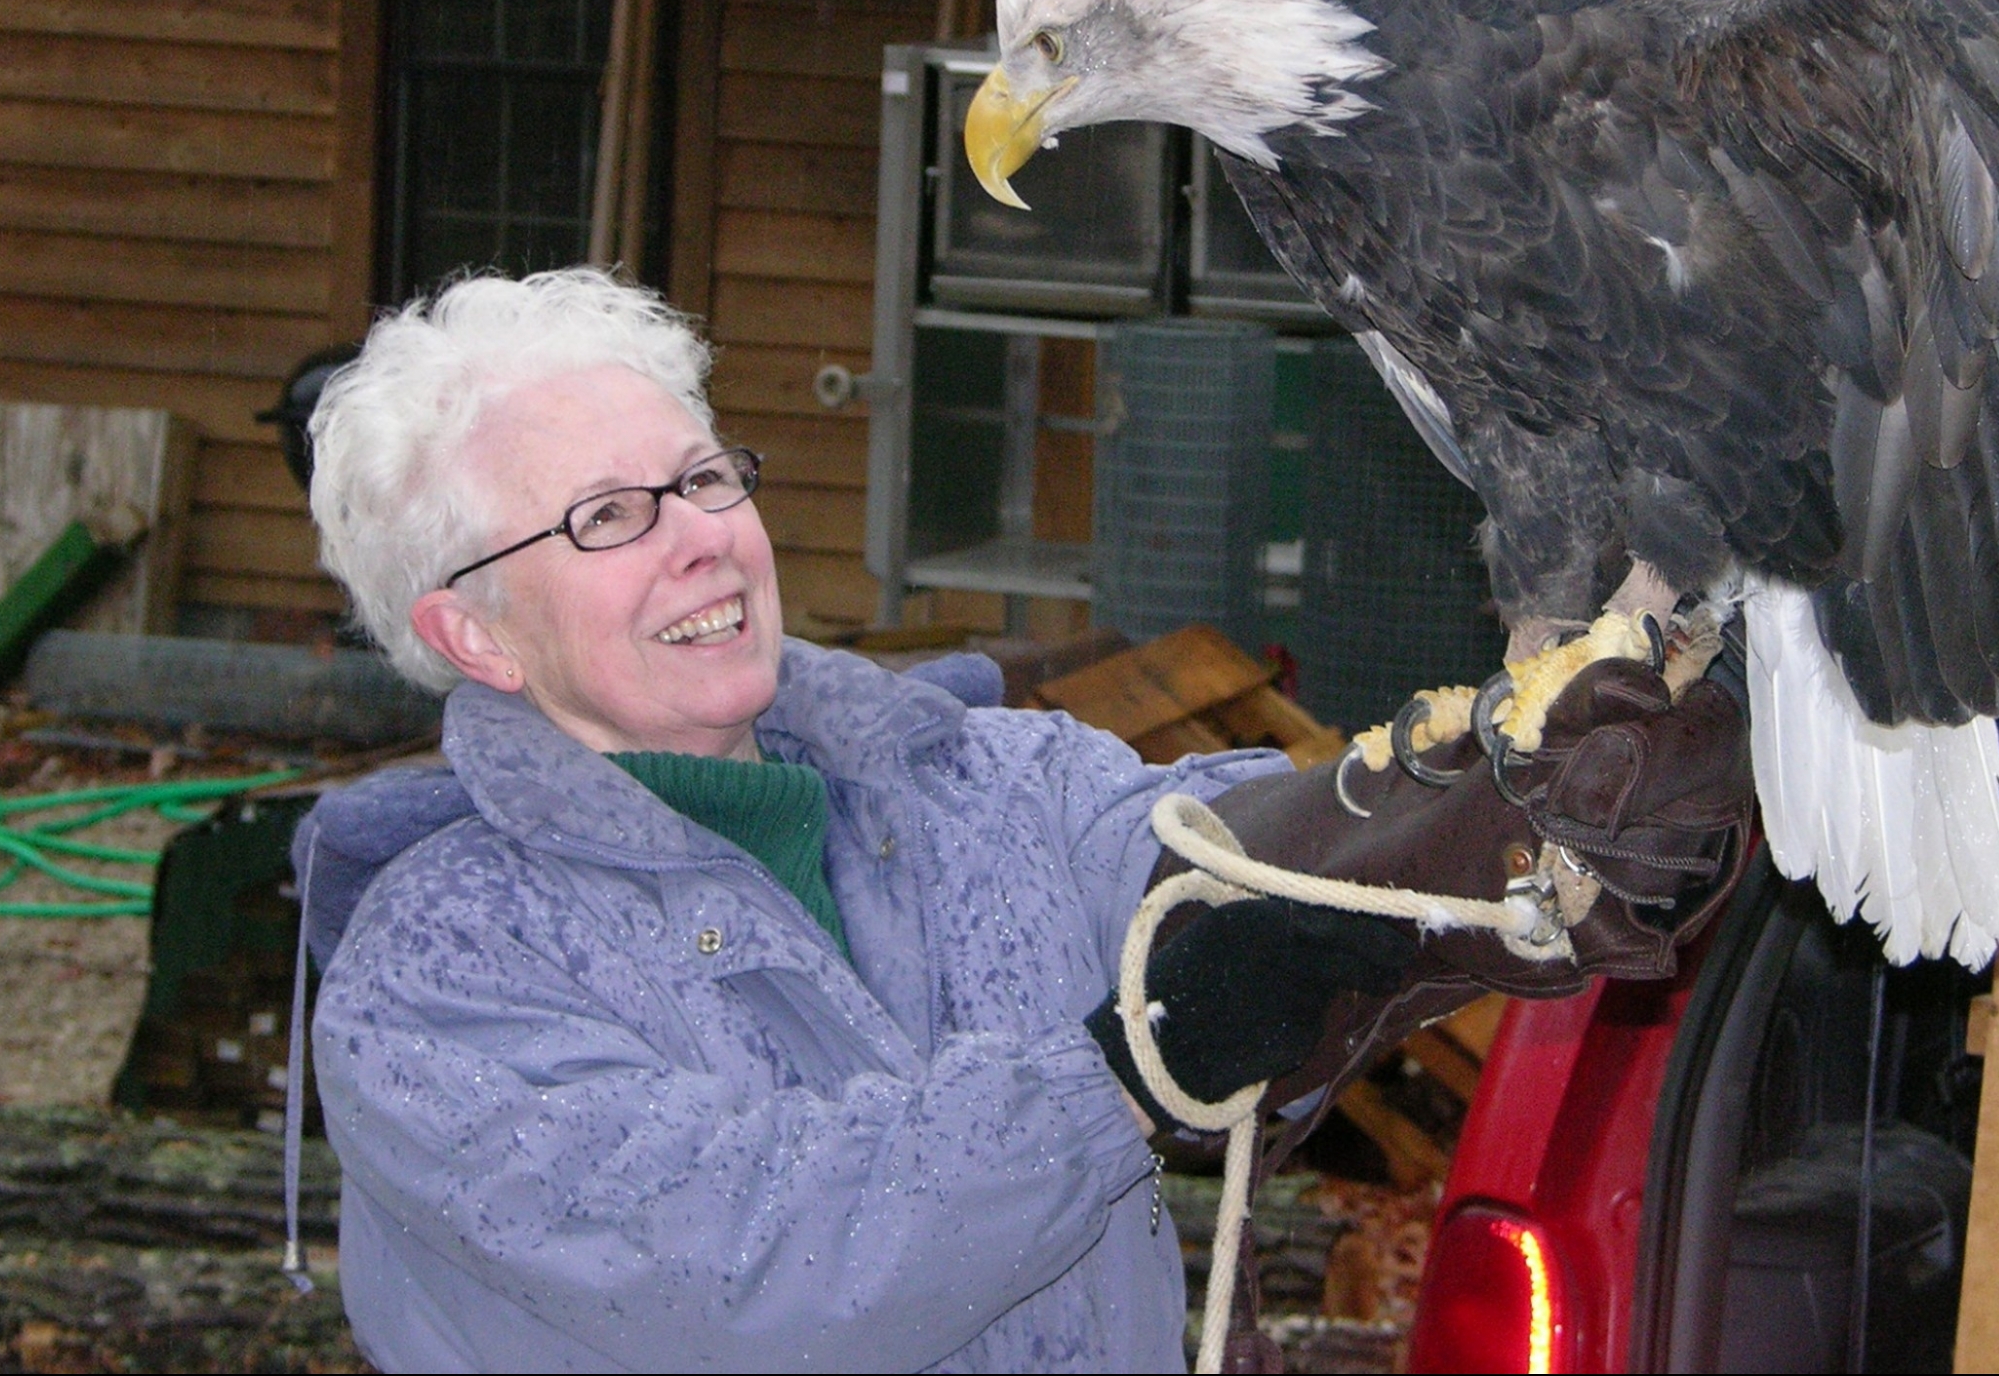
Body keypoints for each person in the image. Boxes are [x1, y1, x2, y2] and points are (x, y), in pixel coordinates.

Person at [288, 268, 1433, 1372]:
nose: (698, 535)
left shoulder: (983, 785)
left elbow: (1218, 853)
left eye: (701, 478)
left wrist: (1486, 784)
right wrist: (1132, 1071)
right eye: (607, 517)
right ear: (473, 635)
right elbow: (745, 1267)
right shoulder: (436, 976)